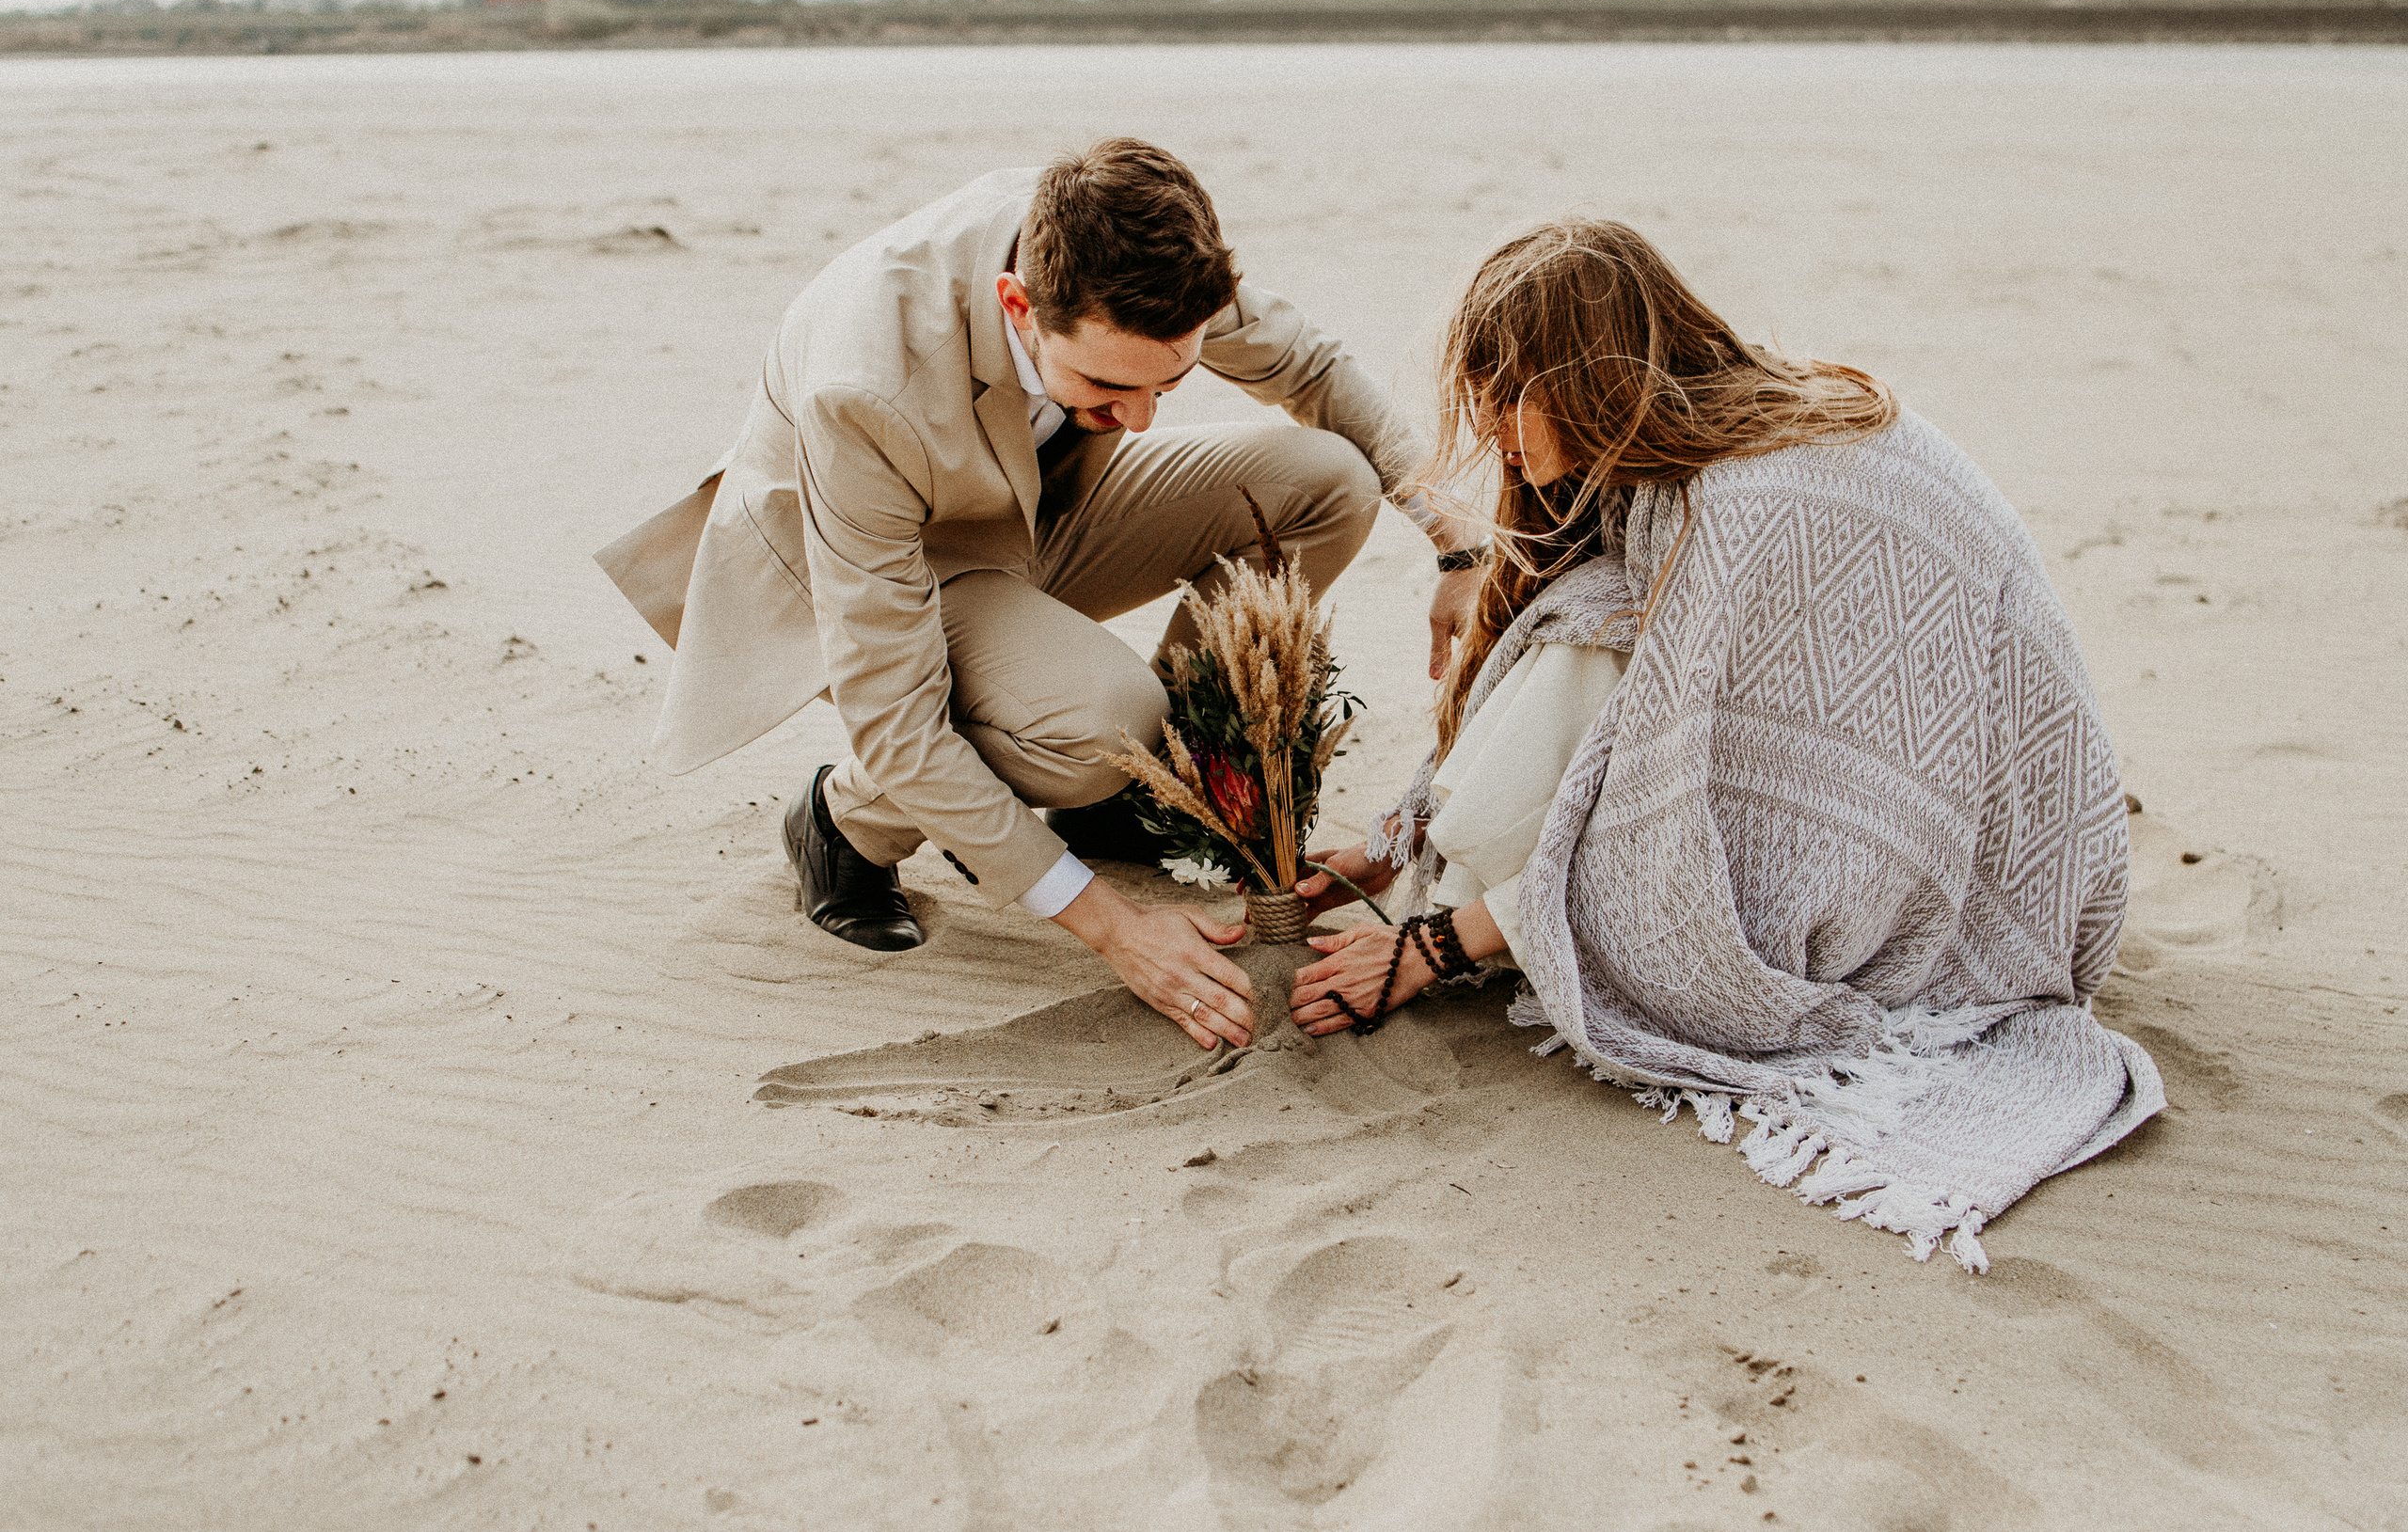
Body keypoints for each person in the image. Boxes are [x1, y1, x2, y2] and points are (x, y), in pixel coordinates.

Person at [1291, 218, 2160, 1267]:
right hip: (1958, 748)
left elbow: (1671, 793)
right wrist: (1394, 843)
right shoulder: (1682, 455)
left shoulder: (1732, 500)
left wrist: (1430, 947)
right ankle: (1502, 898)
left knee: (1604, 654)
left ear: (1595, 383)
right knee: (1582, 609)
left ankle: (1506, 914)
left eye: (1510, 395)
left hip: (1997, 835)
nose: (1492, 427)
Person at [596, 138, 1481, 1050]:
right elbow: (895, 717)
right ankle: (841, 822)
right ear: (1017, 305)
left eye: (1168, 382)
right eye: (1106, 383)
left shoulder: (1140, 252)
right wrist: (1115, 928)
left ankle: (1121, 804)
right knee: (1103, 725)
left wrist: (1460, 549)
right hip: (880, 564)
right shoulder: (863, 386)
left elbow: (1316, 369)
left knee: (1330, 481)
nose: (1141, 417)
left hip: (1033, 504)